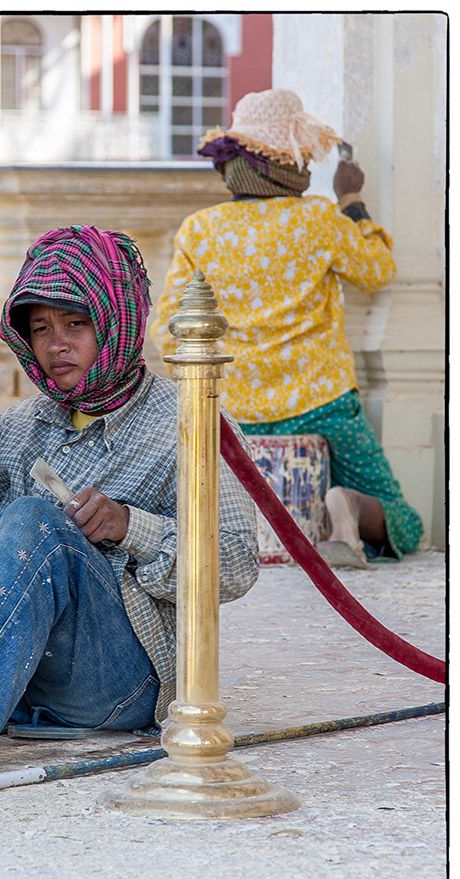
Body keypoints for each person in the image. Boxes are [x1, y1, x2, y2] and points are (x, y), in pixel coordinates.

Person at [0, 225, 259, 777]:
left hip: (118, 681)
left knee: (36, 520)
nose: (56, 345)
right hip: (18, 665)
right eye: (41, 329)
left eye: (76, 324)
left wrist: (130, 527)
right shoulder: (21, 424)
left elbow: (238, 564)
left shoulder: (189, 422)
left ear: (117, 321)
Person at [152, 88, 423, 569]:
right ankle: (347, 506)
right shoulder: (318, 219)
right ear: (289, 164)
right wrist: (352, 201)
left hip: (231, 413)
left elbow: (169, 327)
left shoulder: (200, 229)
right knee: (405, 521)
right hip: (323, 403)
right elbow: (377, 269)